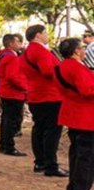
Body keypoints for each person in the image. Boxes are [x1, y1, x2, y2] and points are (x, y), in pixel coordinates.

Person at [21, 25, 69, 177]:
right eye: (45, 33)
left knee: (39, 129)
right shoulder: (39, 50)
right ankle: (50, 165)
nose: (47, 36)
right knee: (52, 131)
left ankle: (40, 162)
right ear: (38, 35)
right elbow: (48, 71)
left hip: (36, 95)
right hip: (49, 95)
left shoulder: (28, 51)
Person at [54, 38, 94, 190]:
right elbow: (86, 90)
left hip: (72, 112)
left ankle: (74, 188)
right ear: (76, 51)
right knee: (87, 156)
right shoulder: (77, 67)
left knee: (76, 153)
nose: (85, 50)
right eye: (82, 48)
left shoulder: (61, 66)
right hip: (85, 115)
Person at [0, 34, 27, 157]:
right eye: (18, 41)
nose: (20, 44)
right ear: (11, 43)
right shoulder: (12, 57)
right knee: (11, 120)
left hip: (5, 90)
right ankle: (9, 146)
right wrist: (25, 88)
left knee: (6, 120)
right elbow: (13, 76)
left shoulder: (2, 55)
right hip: (13, 93)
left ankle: (4, 144)